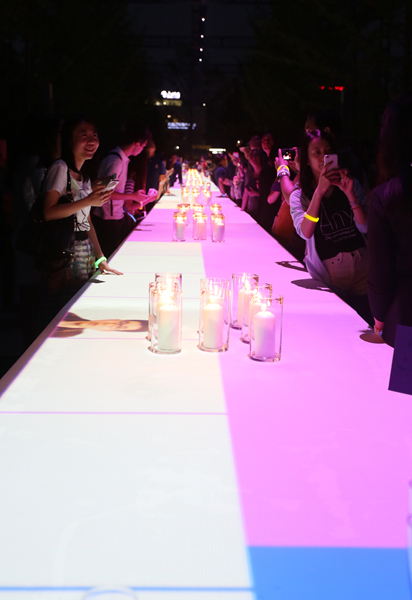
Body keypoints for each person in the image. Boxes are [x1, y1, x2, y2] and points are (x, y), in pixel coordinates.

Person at [41, 115, 122, 325]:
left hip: (83, 251)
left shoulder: (83, 175)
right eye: (83, 135)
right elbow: (48, 212)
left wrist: (100, 258)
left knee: (78, 313)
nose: (92, 140)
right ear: (69, 140)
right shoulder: (60, 168)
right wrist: (88, 200)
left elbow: (86, 220)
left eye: (95, 135)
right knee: (62, 316)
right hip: (64, 252)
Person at [290, 129, 369, 302]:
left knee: (368, 318)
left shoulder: (350, 183)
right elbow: (305, 232)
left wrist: (350, 195)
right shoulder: (299, 195)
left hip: (363, 268)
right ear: (307, 160)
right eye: (316, 153)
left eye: (328, 152)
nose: (323, 157)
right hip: (330, 276)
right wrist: (319, 192)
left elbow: (365, 227)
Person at [367, 96, 412, 346]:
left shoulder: (387, 196)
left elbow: (380, 272)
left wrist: (380, 317)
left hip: (407, 311)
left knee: (407, 372)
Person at [91, 124, 150, 258]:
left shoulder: (120, 159)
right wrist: (133, 196)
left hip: (113, 216)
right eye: (143, 146)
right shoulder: (116, 161)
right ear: (136, 144)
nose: (142, 150)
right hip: (108, 217)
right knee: (108, 254)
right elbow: (107, 192)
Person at [241, 149, 262, 220]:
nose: (254, 158)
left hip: (262, 210)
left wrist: (256, 194)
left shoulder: (266, 173)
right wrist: (242, 210)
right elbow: (246, 192)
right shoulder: (249, 172)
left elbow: (269, 194)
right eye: (251, 156)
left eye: (256, 156)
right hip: (251, 209)